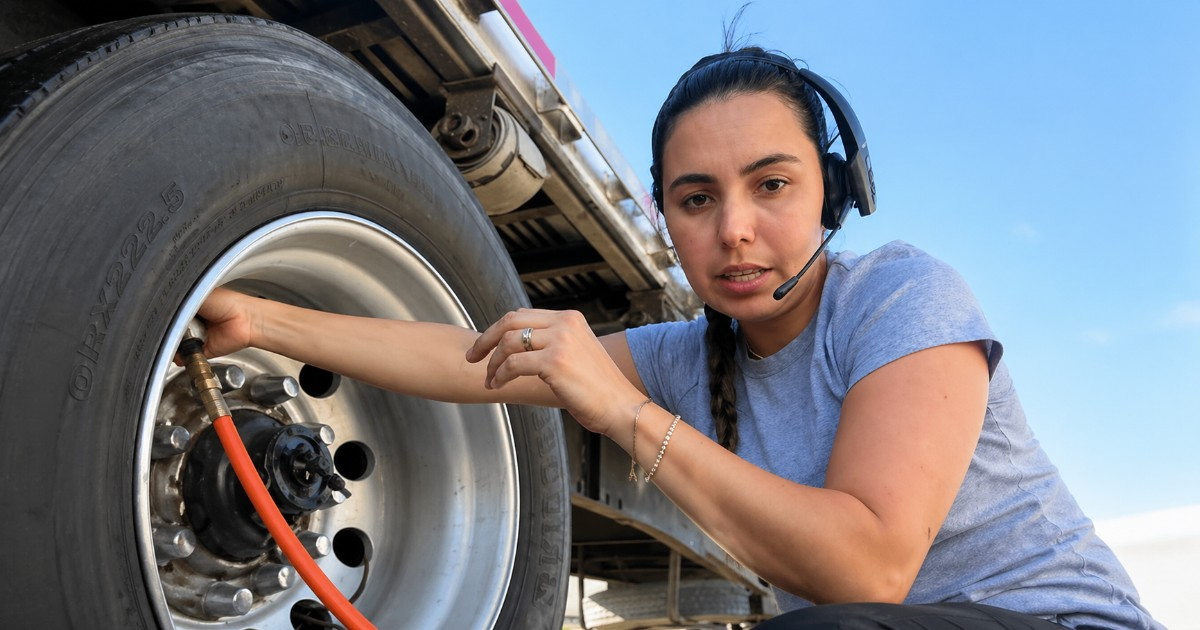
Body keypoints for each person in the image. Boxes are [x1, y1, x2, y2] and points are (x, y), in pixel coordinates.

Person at [196, 48, 1161, 629]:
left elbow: (869, 571)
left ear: (836, 190)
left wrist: (618, 410)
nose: (734, 229)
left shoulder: (901, 298)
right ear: (667, 218)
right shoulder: (688, 358)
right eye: (698, 200)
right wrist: (267, 320)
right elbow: (469, 359)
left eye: (772, 185)